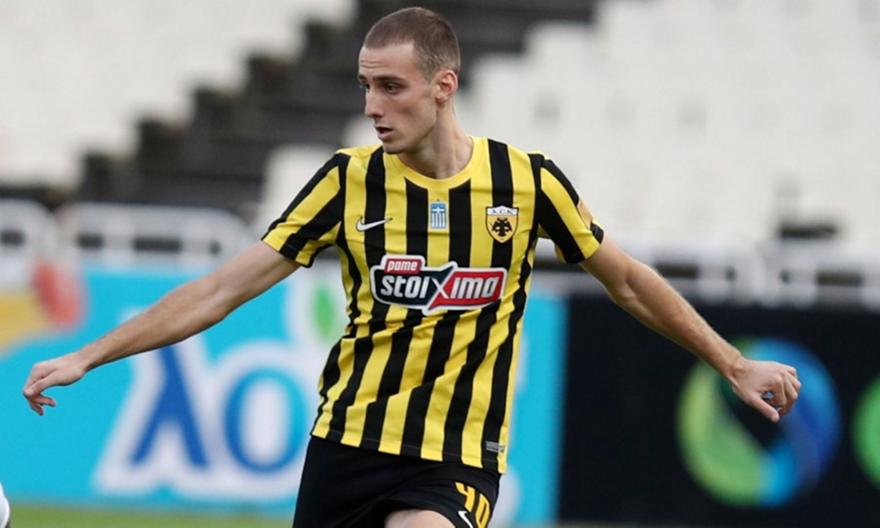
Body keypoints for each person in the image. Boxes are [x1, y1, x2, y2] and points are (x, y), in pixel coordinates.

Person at [23, 7, 801, 528]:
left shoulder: (526, 183)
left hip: (456, 458)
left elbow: (626, 280)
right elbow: (221, 289)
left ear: (443, 87)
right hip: (346, 448)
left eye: (391, 87)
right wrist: (90, 353)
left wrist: (730, 362)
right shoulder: (346, 181)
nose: (373, 105)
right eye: (366, 85)